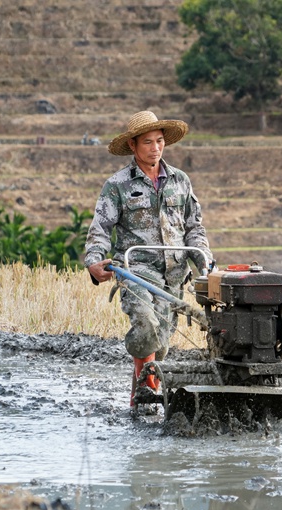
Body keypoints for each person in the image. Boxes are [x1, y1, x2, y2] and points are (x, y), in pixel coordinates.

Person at [84, 111, 213, 406]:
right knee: (146, 326)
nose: (155, 148)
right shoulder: (117, 186)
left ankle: (139, 398)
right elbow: (100, 229)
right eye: (147, 143)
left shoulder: (181, 181)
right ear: (132, 145)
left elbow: (194, 227)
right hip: (136, 270)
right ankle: (147, 393)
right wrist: (94, 260)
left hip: (174, 273)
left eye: (159, 141)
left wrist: (204, 261)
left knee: (160, 345)